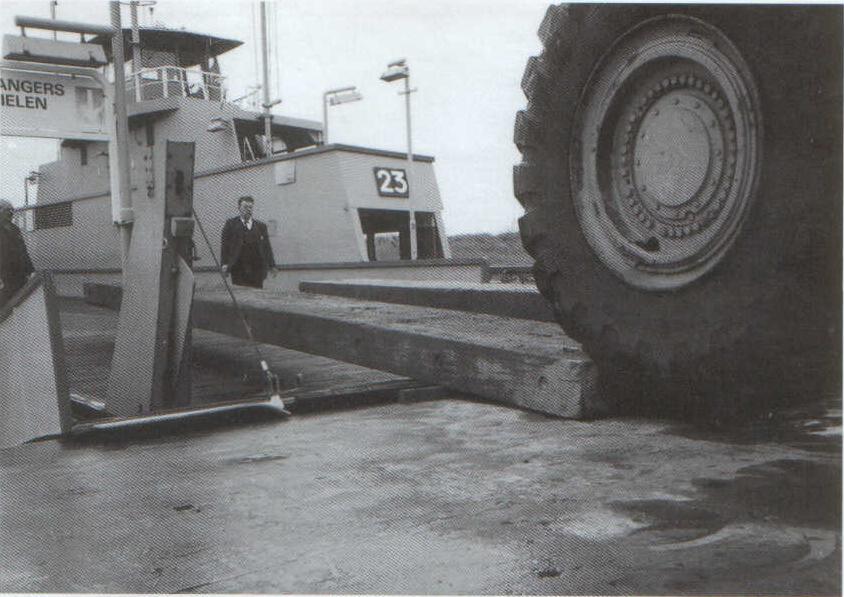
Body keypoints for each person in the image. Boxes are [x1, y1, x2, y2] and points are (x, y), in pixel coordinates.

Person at [220, 195, 275, 289]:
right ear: (239, 208)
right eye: (245, 207)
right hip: (238, 267)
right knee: (240, 294)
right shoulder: (231, 224)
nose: (248, 209)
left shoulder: (261, 226)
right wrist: (224, 264)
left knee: (257, 293)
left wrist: (272, 265)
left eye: (250, 207)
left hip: (257, 267)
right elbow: (225, 246)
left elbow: (267, 247)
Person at [0, 199, 34, 305]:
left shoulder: (15, 229)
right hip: (4, 275)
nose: (11, 213)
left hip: (19, 274)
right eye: (7, 210)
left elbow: (23, 251)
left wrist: (30, 270)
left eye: (11, 211)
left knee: (19, 302)